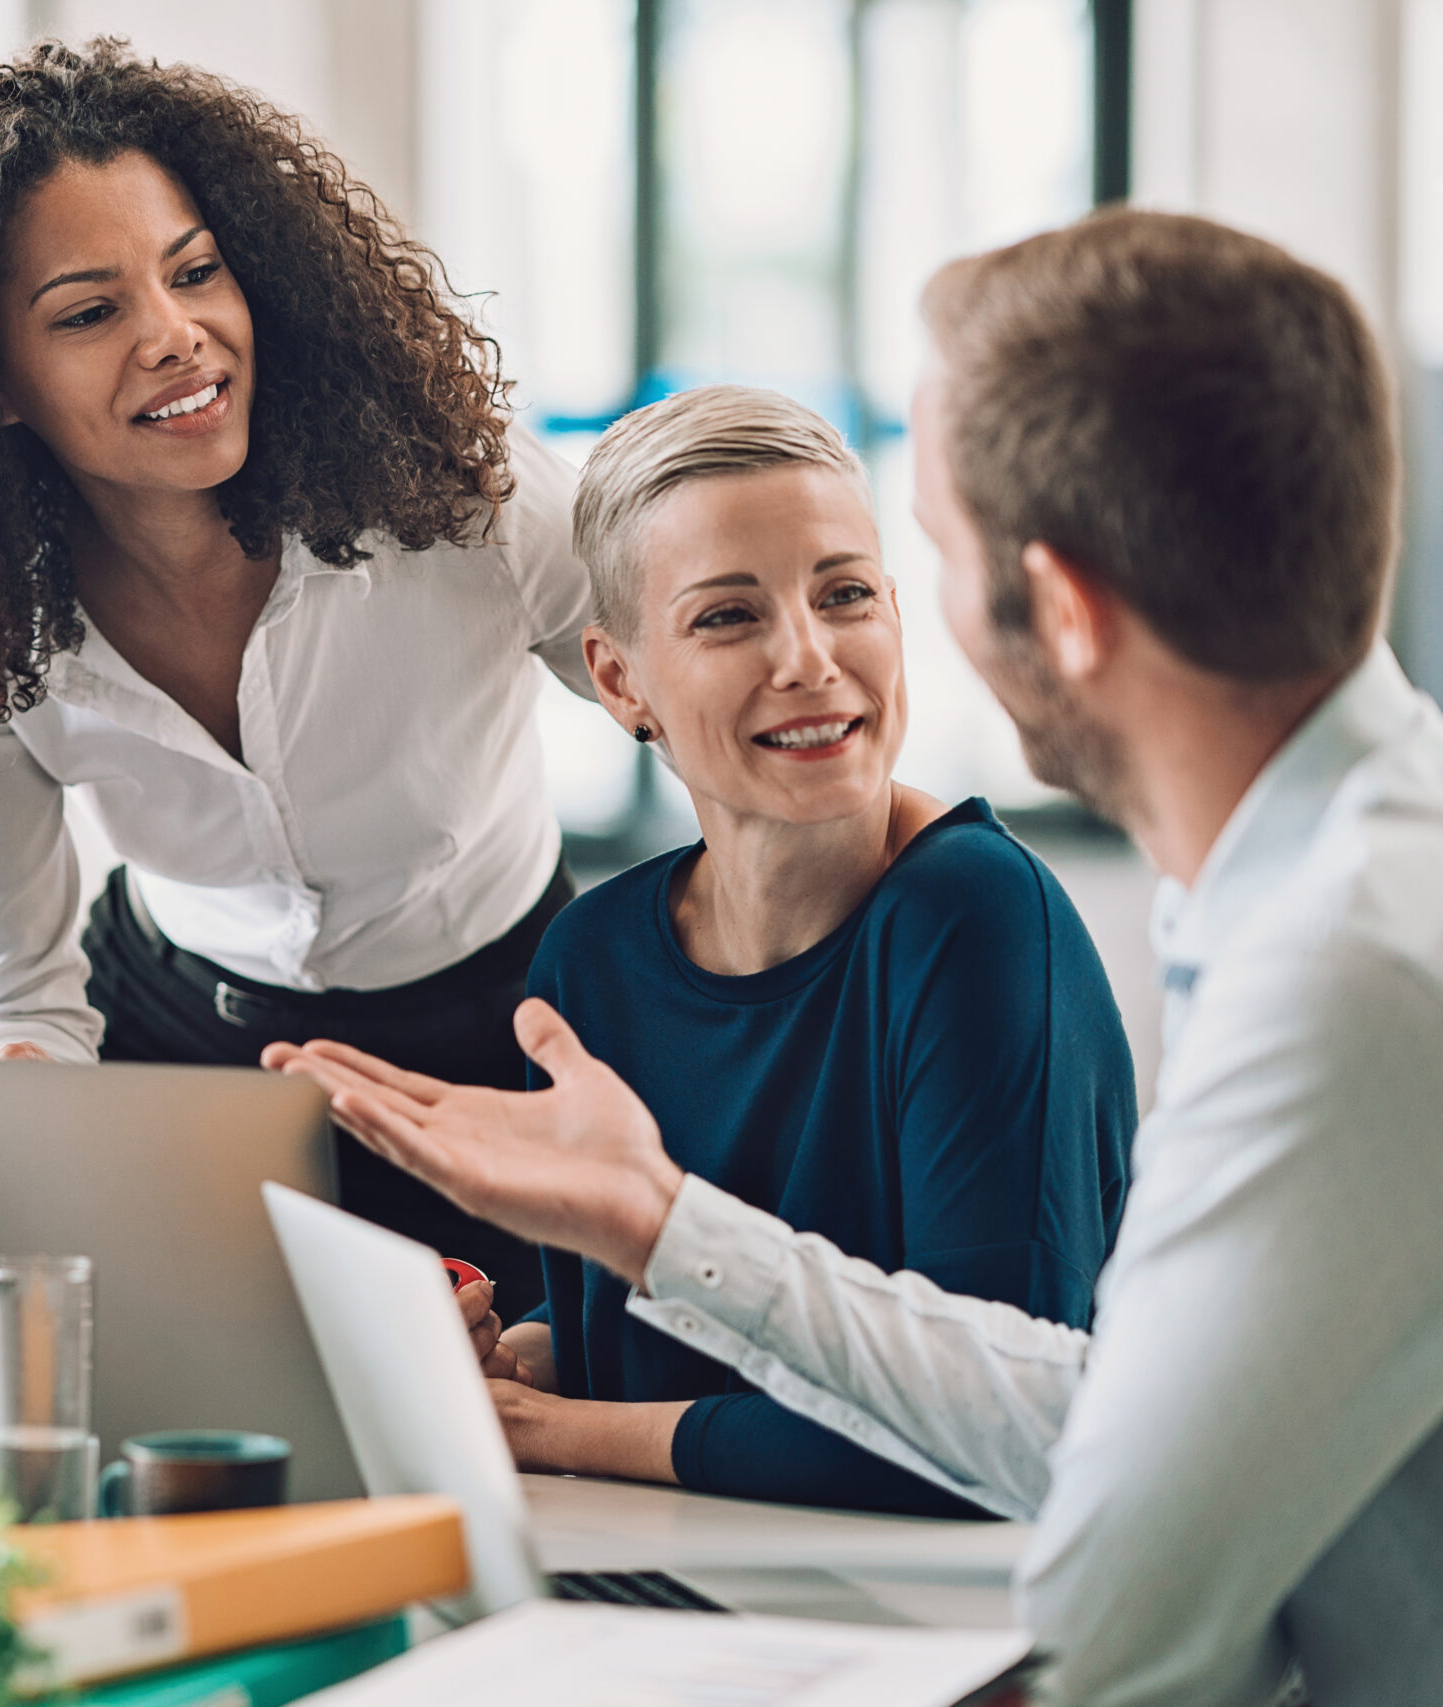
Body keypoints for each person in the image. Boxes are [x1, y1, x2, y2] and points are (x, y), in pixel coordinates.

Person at [271, 209, 1443, 1706]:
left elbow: (1119, 1639)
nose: (830, 650)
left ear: (1063, 610)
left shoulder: (1349, 972)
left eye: (914, 563)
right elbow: (1100, 1411)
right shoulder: (1329, 888)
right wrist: (654, 1225)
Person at [0, 38, 603, 1314]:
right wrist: (9, 1154)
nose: (178, 338)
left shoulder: (467, 504)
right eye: (89, 312)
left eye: (196, 272)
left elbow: (705, 723)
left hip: (507, 1037)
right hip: (185, 1043)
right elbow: (20, 999)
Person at [460, 384, 1132, 1517]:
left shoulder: (977, 921)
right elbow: (640, 1325)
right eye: (729, 616)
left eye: (847, 595)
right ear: (620, 681)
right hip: (679, 1564)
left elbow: (988, 1435)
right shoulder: (589, 960)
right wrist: (521, 1356)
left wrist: (557, 1430)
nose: (812, 657)